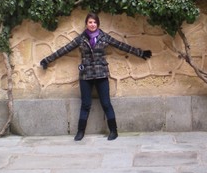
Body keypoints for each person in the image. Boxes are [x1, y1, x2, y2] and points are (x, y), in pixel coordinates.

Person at [40, 12, 152, 141]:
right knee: (85, 104)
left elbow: (121, 45)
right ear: (86, 24)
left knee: (106, 103)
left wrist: (140, 52)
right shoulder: (80, 39)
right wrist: (47, 60)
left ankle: (113, 131)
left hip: (101, 74)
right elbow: (65, 49)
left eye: (94, 22)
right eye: (90, 22)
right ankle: (80, 132)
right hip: (86, 75)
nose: (92, 24)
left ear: (97, 24)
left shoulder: (104, 37)